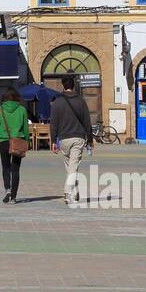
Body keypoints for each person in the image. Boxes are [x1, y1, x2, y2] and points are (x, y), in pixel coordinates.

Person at [49, 76, 92, 205]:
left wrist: (53, 141)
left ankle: (75, 190)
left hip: (63, 139)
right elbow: (87, 121)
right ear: (73, 86)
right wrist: (90, 139)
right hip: (78, 137)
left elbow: (53, 123)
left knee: (71, 166)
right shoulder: (80, 101)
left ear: (63, 86)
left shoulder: (57, 102)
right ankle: (68, 192)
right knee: (73, 167)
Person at [0, 88, 29, 203]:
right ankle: (14, 197)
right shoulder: (22, 110)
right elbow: (26, 128)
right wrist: (27, 142)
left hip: (4, 142)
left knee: (5, 167)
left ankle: (7, 190)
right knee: (16, 169)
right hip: (18, 141)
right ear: (17, 98)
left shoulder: (0, 110)